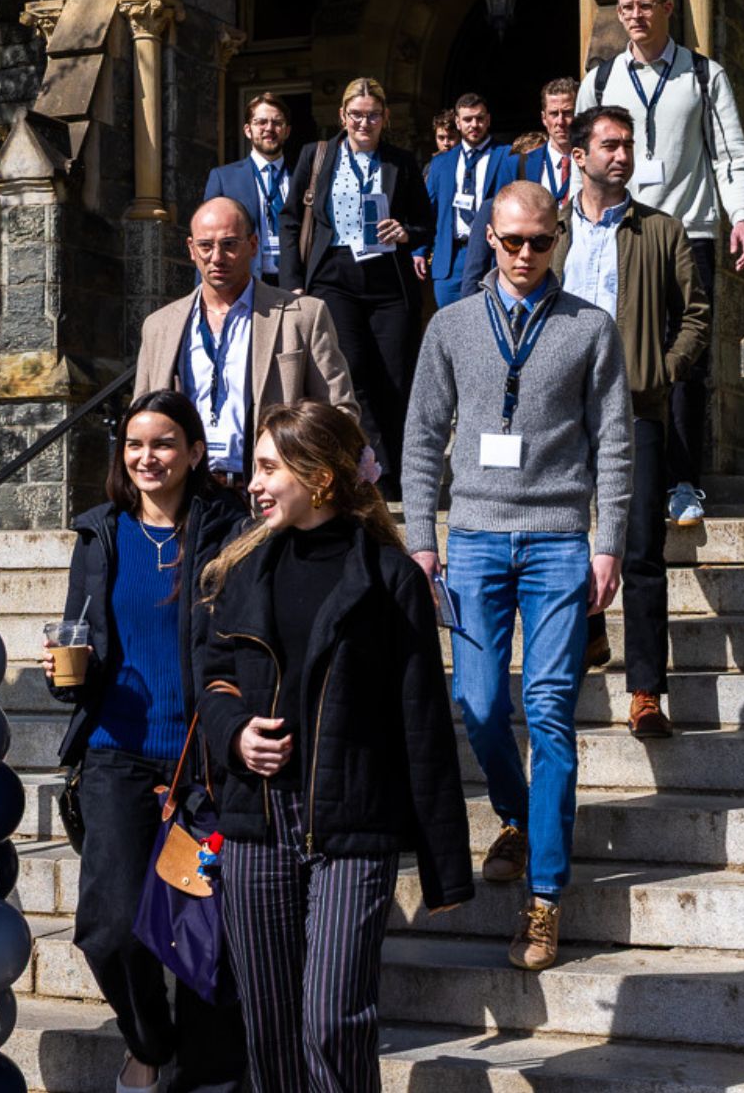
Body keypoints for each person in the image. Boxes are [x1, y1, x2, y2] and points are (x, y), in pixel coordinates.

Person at [198, 401, 472, 1093]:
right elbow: (212, 679)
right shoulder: (237, 569)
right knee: (269, 1028)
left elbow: (424, 720)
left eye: (268, 468)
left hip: (353, 826)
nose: (253, 483)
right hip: (256, 821)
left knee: (333, 1022)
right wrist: (234, 737)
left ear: (318, 476)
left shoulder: (390, 578)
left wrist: (444, 862)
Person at [399, 181, 629, 972]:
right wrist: (421, 538)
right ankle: (514, 813)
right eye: (511, 241)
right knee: (479, 700)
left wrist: (610, 543)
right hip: (473, 540)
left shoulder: (589, 328)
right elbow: (424, 435)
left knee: (552, 711)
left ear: (557, 238)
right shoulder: (451, 326)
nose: (525, 255)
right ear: (488, 239)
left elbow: (614, 442)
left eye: (539, 241)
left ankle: (544, 899)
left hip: (561, 540)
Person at [46, 392, 249, 1093]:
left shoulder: (230, 531)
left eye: (163, 443)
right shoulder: (100, 534)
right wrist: (65, 673)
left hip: (203, 758)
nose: (146, 457)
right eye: (134, 444)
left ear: (196, 452)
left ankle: (208, 1069)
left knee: (199, 933)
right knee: (107, 927)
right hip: (115, 751)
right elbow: (83, 641)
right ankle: (150, 1040)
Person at [579, 0, 744, 530]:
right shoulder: (601, 80)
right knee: (609, 355)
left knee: (685, 362)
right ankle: (610, 478)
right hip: (622, 232)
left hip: (689, 231)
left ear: (666, 8)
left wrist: (742, 216)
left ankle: (683, 483)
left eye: (644, 5)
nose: (634, 15)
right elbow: (578, 157)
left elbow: (731, 157)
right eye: (625, 6)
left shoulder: (704, 75)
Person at [557, 105, 708, 738]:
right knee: (563, 541)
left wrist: (665, 370)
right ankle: (586, 637)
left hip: (635, 408)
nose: (621, 156)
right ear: (580, 155)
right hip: (558, 409)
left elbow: (697, 315)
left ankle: (646, 691)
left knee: (642, 551)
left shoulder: (662, 231)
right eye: (610, 146)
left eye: (628, 146)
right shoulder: (551, 230)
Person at [137, 198, 361, 489]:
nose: (216, 257)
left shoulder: (303, 316)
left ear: (253, 245)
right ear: (191, 249)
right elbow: (140, 418)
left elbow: (340, 412)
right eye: (205, 246)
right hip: (185, 494)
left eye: (229, 244)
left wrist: (305, 474)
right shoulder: (160, 326)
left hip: (268, 495)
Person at [282, 78, 431, 465]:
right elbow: (290, 221)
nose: (364, 124)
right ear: (342, 116)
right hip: (334, 273)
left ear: (385, 119)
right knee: (350, 370)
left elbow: (425, 223)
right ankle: (364, 465)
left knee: (395, 373)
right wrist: (293, 283)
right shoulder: (314, 157)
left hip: (386, 277)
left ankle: (396, 468)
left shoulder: (401, 162)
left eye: (373, 116)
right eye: (357, 115)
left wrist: (404, 232)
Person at [418, 91, 517, 308]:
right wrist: (419, 251)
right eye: (468, 119)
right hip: (450, 260)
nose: (474, 124)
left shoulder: (508, 156)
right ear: (458, 122)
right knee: (451, 327)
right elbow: (427, 212)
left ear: (488, 120)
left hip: (491, 258)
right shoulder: (441, 163)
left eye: (479, 118)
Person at [204, 92, 300, 288]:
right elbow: (208, 236)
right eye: (261, 122)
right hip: (243, 283)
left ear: (287, 131)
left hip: (296, 285)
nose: (269, 128)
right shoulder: (224, 178)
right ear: (248, 130)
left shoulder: (303, 177)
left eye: (277, 122)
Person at [512, 77, 581, 208]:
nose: (560, 122)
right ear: (544, 118)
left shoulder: (592, 162)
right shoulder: (521, 165)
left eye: (567, 113)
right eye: (554, 114)